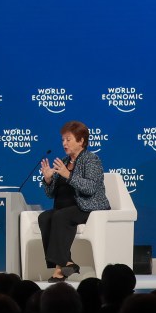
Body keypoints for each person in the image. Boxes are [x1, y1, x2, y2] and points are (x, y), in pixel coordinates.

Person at [37, 120, 108, 281]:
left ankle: (60, 268)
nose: (64, 143)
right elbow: (50, 194)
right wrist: (48, 180)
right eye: (63, 140)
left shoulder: (91, 159)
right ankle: (67, 263)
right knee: (44, 217)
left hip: (88, 206)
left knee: (60, 216)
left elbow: (90, 188)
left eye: (68, 139)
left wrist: (68, 175)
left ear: (81, 141)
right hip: (65, 208)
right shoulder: (64, 161)